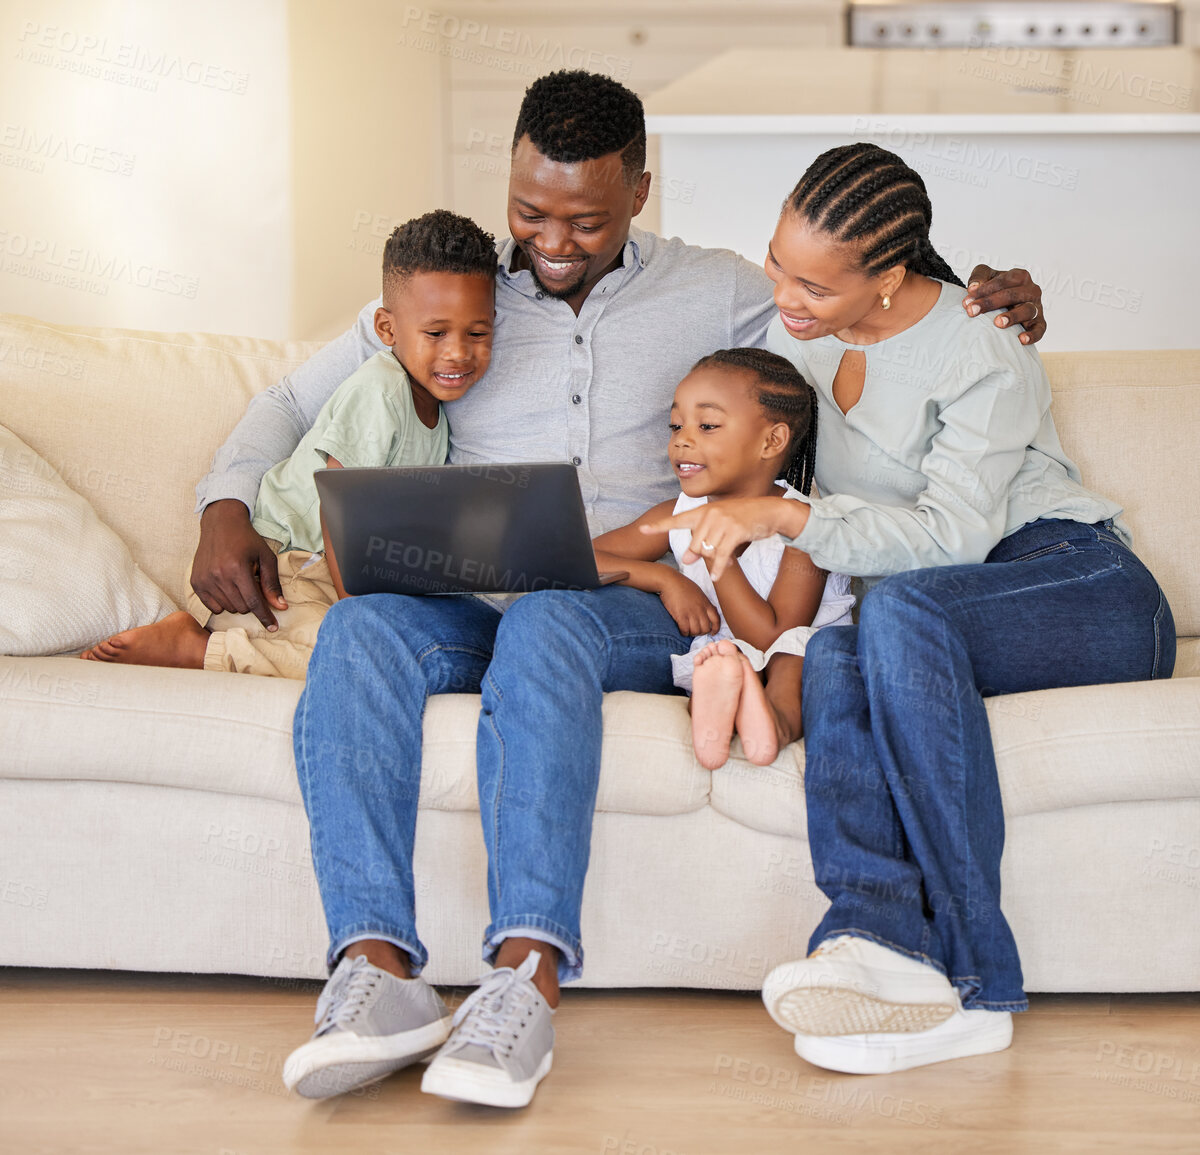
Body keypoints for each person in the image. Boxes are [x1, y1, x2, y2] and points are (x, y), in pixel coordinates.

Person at [190, 70, 1049, 1109]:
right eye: (529, 212)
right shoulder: (452, 296)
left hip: (630, 604)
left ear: (641, 192)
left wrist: (981, 293)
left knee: (553, 614)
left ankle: (524, 980)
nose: (550, 241)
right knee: (364, 628)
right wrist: (225, 505)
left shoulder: (720, 287)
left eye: (586, 220)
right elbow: (288, 399)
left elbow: (860, 299)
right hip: (471, 597)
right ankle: (376, 973)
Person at [643, 142, 1177, 1076]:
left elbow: (953, 539)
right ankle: (878, 945)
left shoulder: (983, 350)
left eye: (813, 283)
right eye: (777, 265)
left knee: (892, 617)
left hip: (1074, 584)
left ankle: (978, 982)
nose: (787, 297)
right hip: (920, 618)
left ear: (887, 276)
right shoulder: (797, 346)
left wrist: (783, 512)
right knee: (843, 647)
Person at [80, 210, 497, 679]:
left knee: (389, 656)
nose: (459, 352)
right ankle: (193, 647)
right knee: (357, 657)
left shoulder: (437, 409)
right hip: (280, 570)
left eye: (477, 333)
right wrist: (360, 609)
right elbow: (341, 509)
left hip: (319, 575)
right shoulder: (381, 391)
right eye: (436, 333)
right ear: (386, 328)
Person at [594, 347, 853, 769]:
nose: (681, 439)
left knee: (791, 658)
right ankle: (719, 715)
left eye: (707, 425)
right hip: (728, 653)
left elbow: (771, 636)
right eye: (676, 425)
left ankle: (776, 725)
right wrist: (664, 579)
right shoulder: (675, 517)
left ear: (772, 440)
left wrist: (720, 556)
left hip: (797, 650)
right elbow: (579, 557)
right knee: (715, 662)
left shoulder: (806, 526)